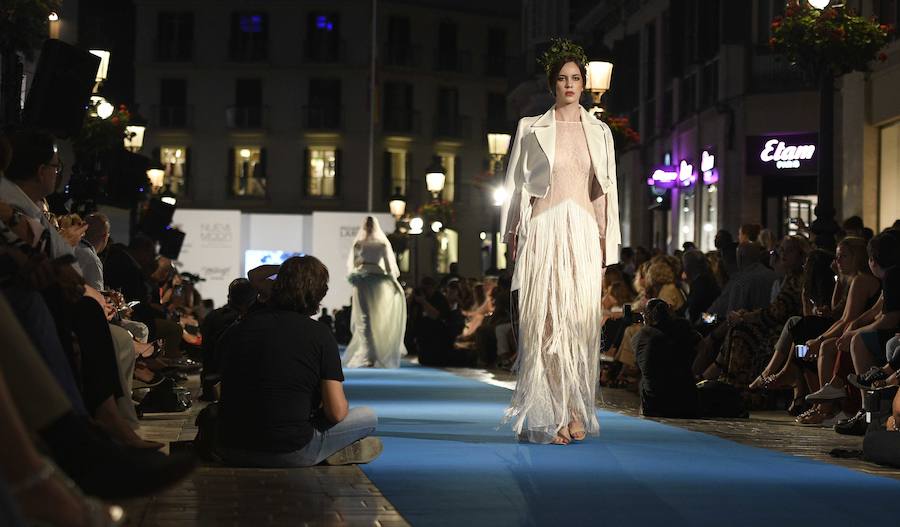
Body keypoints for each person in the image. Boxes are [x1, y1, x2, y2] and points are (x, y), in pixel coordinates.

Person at [499, 38, 621, 445]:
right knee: (546, 324)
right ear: (552, 85)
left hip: (584, 234)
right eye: (562, 79)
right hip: (545, 230)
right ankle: (551, 413)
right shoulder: (530, 128)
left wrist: (607, 245)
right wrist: (512, 234)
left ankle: (573, 408)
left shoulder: (601, 132)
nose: (569, 85)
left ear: (585, 84)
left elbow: (605, 192)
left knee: (579, 325)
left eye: (575, 78)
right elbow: (517, 186)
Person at [217, 255, 381, 467]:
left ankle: (330, 449)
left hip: (228, 447)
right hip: (290, 450)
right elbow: (336, 412)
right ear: (319, 295)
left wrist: (291, 272)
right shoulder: (320, 335)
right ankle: (329, 450)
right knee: (368, 416)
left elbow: (255, 276)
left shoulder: (239, 328)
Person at [342, 216, 407, 368]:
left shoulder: (378, 244)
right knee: (366, 317)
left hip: (372, 279)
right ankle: (370, 354)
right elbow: (355, 263)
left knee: (374, 316)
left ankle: (372, 354)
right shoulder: (361, 244)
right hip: (366, 279)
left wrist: (394, 282)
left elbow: (388, 266)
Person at [633, 299, 700, 418]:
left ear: (646, 317)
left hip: (656, 406)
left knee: (643, 380)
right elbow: (702, 345)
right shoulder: (683, 327)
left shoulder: (641, 337)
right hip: (687, 403)